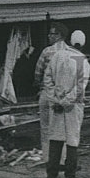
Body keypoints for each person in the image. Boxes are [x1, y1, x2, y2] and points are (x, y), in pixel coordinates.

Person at [43, 28, 90, 178]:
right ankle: (70, 177)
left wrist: (55, 100)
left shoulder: (58, 55)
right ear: (82, 45)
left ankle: (51, 176)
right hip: (72, 106)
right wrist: (66, 102)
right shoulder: (82, 61)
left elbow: (47, 78)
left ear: (70, 41)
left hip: (57, 103)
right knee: (72, 140)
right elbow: (79, 87)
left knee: (55, 138)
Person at [33, 22, 69, 162]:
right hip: (63, 94)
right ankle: (62, 159)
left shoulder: (47, 51)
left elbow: (38, 72)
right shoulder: (71, 52)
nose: (49, 36)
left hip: (47, 93)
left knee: (46, 127)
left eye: (51, 33)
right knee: (62, 128)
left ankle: (48, 158)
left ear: (58, 35)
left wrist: (40, 85)